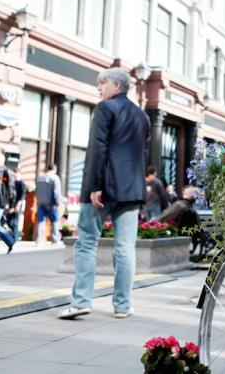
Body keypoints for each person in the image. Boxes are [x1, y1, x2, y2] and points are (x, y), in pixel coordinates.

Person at [58, 68, 150, 320]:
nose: (98, 88)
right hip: (131, 191)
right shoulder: (142, 117)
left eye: (102, 83)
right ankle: (122, 306)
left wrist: (95, 185)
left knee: (87, 242)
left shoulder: (105, 108)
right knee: (125, 248)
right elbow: (143, 156)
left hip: (102, 188)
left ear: (116, 86)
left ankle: (80, 302)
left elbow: (97, 149)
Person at [35, 164, 62, 245]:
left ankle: (39, 240)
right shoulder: (55, 178)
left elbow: (37, 190)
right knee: (55, 222)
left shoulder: (40, 177)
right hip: (51, 203)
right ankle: (55, 240)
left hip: (41, 203)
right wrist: (58, 203)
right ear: (55, 169)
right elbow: (57, 192)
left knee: (41, 222)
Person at [4, 171, 27, 241]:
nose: (15, 177)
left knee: (14, 222)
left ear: (20, 175)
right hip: (11, 204)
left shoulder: (22, 184)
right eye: (14, 175)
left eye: (16, 175)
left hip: (18, 205)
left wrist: (17, 205)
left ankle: (15, 237)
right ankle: (17, 234)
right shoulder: (12, 183)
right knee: (8, 221)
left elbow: (22, 196)